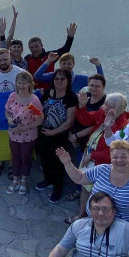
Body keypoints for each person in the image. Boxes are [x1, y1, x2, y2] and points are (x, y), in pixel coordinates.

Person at [65, 93, 129, 224]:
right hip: (90, 157)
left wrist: (92, 156)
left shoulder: (123, 127)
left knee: (94, 193)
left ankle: (88, 219)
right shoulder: (104, 114)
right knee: (85, 188)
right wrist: (82, 107)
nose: (103, 106)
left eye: (107, 104)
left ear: (116, 108)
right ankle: (82, 215)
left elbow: (113, 152)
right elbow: (86, 120)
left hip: (99, 163)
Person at [36, 69, 77, 203]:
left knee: (57, 163)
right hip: (42, 132)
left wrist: (52, 132)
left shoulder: (71, 97)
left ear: (68, 81)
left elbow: (70, 121)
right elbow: (39, 109)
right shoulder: (47, 92)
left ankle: (57, 188)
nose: (59, 81)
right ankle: (48, 180)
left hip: (58, 136)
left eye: (62, 79)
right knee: (44, 159)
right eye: (56, 78)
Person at [0, 48, 25, 178]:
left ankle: (13, 164)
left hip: (16, 115)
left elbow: (28, 93)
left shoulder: (21, 73)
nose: (2, 62)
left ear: (10, 58)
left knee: (14, 140)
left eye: (5, 59)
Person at [5, 71, 43, 195]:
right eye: (19, 83)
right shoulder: (12, 96)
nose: (21, 86)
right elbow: (6, 112)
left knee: (25, 158)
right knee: (15, 157)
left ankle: (24, 180)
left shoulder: (34, 100)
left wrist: (23, 128)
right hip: (13, 133)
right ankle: (16, 179)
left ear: (30, 84)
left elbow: (40, 120)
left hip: (28, 136)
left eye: (24, 83)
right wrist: (9, 119)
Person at [69, 75, 110, 166]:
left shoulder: (105, 103)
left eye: (97, 86)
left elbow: (96, 125)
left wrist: (75, 136)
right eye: (91, 85)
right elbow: (74, 114)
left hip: (87, 140)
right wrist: (70, 133)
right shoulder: (85, 96)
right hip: (74, 135)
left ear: (103, 87)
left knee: (82, 165)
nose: (94, 88)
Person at [25, 24, 77, 89]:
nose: (34, 49)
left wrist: (70, 37)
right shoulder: (27, 58)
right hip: (32, 92)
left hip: (48, 91)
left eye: (36, 46)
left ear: (42, 45)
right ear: (29, 48)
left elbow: (65, 50)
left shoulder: (50, 55)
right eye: (32, 47)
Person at [33, 53, 104, 93]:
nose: (66, 66)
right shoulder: (54, 76)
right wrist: (48, 61)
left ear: (73, 64)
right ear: (60, 65)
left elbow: (100, 82)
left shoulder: (79, 79)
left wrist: (98, 65)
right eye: (64, 64)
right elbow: (37, 76)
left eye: (69, 64)